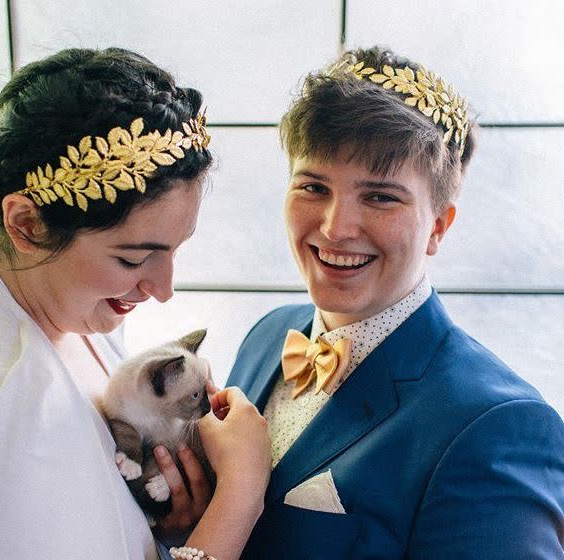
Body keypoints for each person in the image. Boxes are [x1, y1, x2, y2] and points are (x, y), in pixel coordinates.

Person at [0, 48, 270, 560]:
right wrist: (239, 498)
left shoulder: (78, 315)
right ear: (28, 225)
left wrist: (165, 525)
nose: (163, 289)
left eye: (175, 249)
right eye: (133, 259)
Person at [227, 46, 564, 558]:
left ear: (438, 226)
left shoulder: (498, 427)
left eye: (381, 197)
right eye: (314, 186)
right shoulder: (268, 336)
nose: (336, 228)